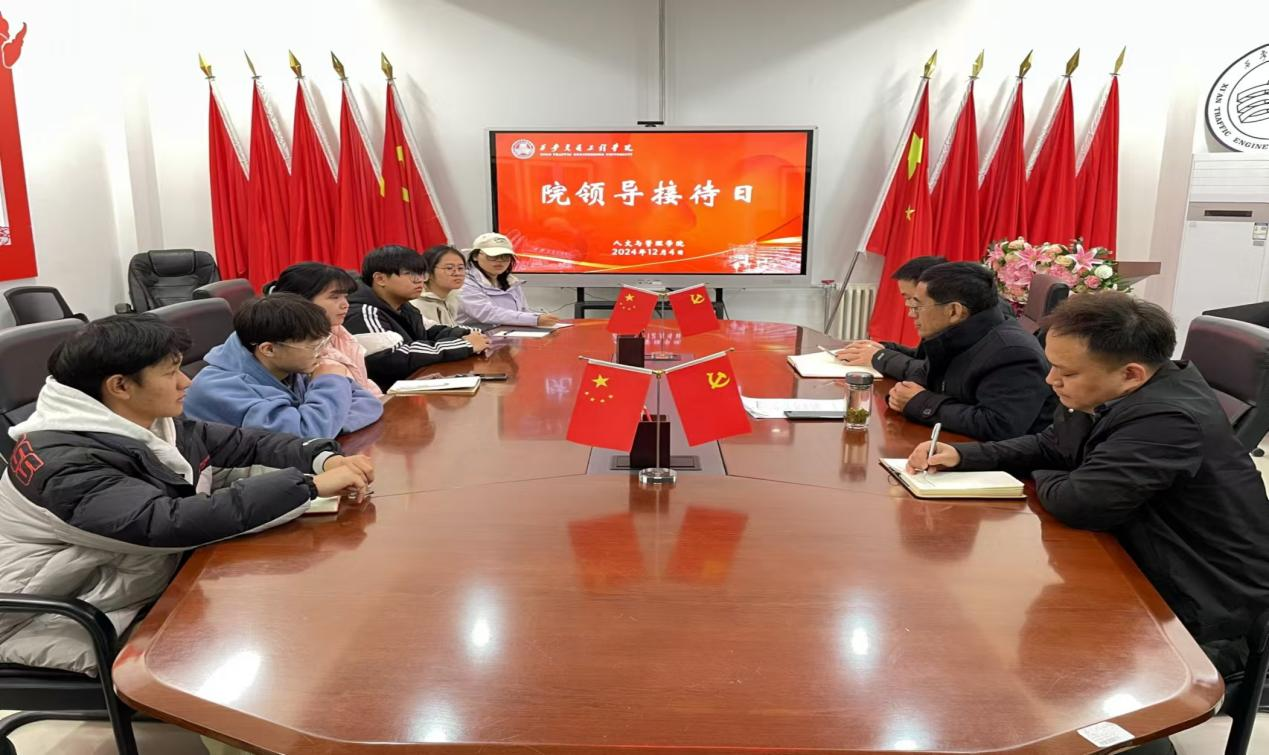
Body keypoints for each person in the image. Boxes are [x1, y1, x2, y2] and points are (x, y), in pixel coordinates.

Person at [907, 292, 1269, 686]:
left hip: (1200, 610)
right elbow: (1053, 444)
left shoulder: (1168, 419)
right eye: (1052, 366)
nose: (1051, 380)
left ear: (1131, 374)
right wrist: (965, 456)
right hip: (1143, 562)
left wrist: (1051, 473)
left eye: (1067, 373)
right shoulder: (1107, 390)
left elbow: (1079, 503)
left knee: (1030, 670)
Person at [0, 315, 374, 674]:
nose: (186, 382)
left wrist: (320, 458)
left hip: (138, 579)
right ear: (121, 386)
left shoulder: (140, 420)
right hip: (60, 612)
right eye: (170, 372)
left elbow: (242, 442)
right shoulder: (65, 465)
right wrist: (308, 487)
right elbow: (164, 523)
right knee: (276, 638)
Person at [877, 262, 1054, 440]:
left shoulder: (1014, 353)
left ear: (954, 311)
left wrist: (919, 403)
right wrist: (902, 394)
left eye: (918, 307)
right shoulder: (951, 335)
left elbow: (997, 425)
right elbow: (924, 378)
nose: (911, 314)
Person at [184, 293, 384, 437]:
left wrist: (328, 423)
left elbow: (369, 403)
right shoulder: (220, 388)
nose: (323, 352)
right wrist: (330, 383)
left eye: (324, 342)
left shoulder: (289, 364)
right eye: (314, 346)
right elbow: (307, 434)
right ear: (269, 349)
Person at [836, 255, 1016, 380]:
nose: (910, 310)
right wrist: (884, 348)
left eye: (911, 299)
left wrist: (881, 356)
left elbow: (933, 372)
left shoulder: (979, 322)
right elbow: (924, 357)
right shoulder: (944, 313)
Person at [345, 245, 489, 390]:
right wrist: (464, 345)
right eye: (410, 274)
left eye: (421, 274)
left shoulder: (403, 305)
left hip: (413, 386)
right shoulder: (363, 312)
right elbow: (393, 358)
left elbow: (432, 331)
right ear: (380, 279)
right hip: (387, 397)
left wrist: (473, 334)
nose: (419, 280)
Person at [266, 262, 384, 398]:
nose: (345, 304)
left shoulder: (338, 332)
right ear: (301, 300)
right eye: (334, 297)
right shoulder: (293, 349)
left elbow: (362, 384)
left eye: (345, 296)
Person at [457, 232, 561, 328]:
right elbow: (486, 313)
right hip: (475, 338)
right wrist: (535, 319)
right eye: (492, 256)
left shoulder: (512, 282)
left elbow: (523, 311)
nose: (500, 261)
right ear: (475, 256)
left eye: (505, 256)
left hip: (508, 336)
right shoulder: (463, 282)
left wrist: (542, 318)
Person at [413, 244, 467, 327]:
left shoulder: (451, 298)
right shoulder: (416, 306)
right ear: (427, 273)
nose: (457, 273)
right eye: (449, 268)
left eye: (460, 268)